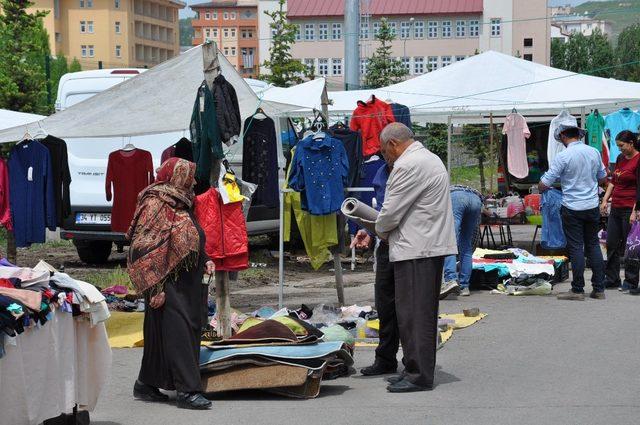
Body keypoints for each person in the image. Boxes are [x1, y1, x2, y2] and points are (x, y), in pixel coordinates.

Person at [375, 123, 457, 393]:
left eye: (385, 151)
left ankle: (419, 374)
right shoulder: (428, 158)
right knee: (411, 313)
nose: (386, 157)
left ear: (393, 144)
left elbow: (390, 212)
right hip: (422, 245)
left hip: (417, 248)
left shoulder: (408, 165)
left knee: (416, 315)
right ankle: (413, 368)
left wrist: (377, 228)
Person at [127, 158, 214, 410]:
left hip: (187, 281)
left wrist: (205, 258)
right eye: (189, 176)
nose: (194, 182)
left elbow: (190, 236)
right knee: (180, 331)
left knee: (159, 334)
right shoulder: (155, 203)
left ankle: (146, 383)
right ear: (176, 176)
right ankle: (188, 391)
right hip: (166, 282)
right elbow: (141, 247)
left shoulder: (182, 201)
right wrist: (155, 287)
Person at [538, 121, 607, 301]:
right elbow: (602, 177)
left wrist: (542, 186)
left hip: (572, 207)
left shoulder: (563, 156)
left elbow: (545, 183)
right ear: (579, 134)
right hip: (592, 206)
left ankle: (577, 290)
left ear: (563, 136)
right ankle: (599, 289)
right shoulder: (594, 152)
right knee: (593, 245)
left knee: (576, 247)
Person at [351, 162, 400, 376]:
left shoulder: (414, 169)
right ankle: (386, 359)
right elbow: (381, 210)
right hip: (386, 245)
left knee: (409, 308)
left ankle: (414, 359)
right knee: (385, 305)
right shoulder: (382, 172)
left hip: (411, 246)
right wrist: (367, 230)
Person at [600, 130, 640, 293]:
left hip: (629, 208)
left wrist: (634, 211)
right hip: (616, 208)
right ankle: (612, 279)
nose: (620, 149)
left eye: (622, 146)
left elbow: (639, 188)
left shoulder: (638, 160)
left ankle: (631, 281)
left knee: (631, 247)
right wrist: (604, 200)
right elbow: (613, 182)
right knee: (611, 244)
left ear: (631, 143)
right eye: (618, 146)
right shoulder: (620, 159)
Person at [442, 185, 484, 297]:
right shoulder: (468, 190)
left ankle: (450, 280)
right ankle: (464, 286)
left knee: (450, 241)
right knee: (466, 245)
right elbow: (475, 234)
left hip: (456, 198)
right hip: (476, 199)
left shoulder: (444, 191)